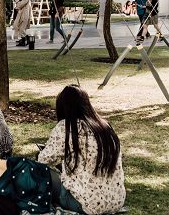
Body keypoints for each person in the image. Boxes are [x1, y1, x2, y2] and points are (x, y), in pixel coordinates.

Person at [38, 85, 125, 214]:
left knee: (41, 172)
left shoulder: (66, 127)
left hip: (85, 204)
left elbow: (43, 160)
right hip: (115, 200)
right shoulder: (105, 126)